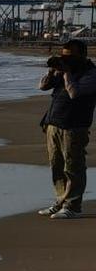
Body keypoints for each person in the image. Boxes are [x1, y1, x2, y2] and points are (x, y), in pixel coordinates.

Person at [38, 38, 96, 219]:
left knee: (73, 166)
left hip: (75, 126)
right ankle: (61, 201)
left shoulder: (91, 73)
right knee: (56, 165)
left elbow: (74, 93)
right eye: (64, 56)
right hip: (54, 123)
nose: (67, 59)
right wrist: (53, 71)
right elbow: (42, 87)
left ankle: (73, 206)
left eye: (70, 56)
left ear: (82, 55)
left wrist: (67, 73)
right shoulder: (61, 71)